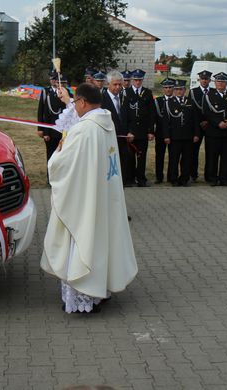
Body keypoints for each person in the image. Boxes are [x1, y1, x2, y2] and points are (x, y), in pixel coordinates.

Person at [41, 83, 138, 314]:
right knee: (101, 240)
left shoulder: (84, 130)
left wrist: (57, 154)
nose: (75, 106)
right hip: (102, 194)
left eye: (76, 103)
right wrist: (67, 102)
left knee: (83, 240)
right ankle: (100, 290)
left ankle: (83, 294)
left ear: (83, 102)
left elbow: (61, 164)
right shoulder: (105, 121)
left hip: (83, 199)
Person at [203, 72, 227, 186]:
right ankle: (213, 178)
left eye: (223, 81)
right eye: (218, 81)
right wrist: (218, 123)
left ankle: (224, 178)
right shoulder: (208, 95)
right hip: (214, 132)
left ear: (226, 83)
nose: (220, 83)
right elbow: (207, 112)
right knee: (212, 157)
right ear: (214, 83)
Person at [163, 80, 200, 186]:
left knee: (187, 159)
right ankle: (173, 179)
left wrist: (196, 134)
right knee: (174, 159)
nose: (179, 91)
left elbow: (195, 120)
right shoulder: (169, 102)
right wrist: (166, 136)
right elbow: (166, 121)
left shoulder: (190, 101)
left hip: (188, 136)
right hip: (174, 136)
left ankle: (184, 178)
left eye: (181, 89)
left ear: (185, 90)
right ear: (174, 91)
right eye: (177, 89)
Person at [124, 69, 155, 187]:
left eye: (139, 80)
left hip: (143, 131)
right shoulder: (126, 92)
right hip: (131, 131)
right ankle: (130, 179)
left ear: (142, 80)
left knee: (141, 156)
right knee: (130, 157)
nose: (137, 82)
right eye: (135, 80)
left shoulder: (147, 93)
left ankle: (141, 179)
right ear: (132, 80)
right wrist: (127, 131)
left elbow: (152, 114)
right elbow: (124, 113)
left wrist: (151, 131)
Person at [100, 70, 131, 186]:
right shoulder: (101, 100)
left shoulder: (124, 99)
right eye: (115, 84)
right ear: (108, 84)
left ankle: (121, 185)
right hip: (108, 139)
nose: (118, 87)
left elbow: (129, 118)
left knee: (123, 163)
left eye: (120, 84)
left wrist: (130, 132)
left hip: (123, 140)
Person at [37, 70, 71, 163]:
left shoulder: (68, 94)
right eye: (52, 78)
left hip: (64, 131)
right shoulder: (47, 93)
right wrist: (43, 130)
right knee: (51, 156)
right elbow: (43, 112)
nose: (52, 80)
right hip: (51, 130)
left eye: (64, 83)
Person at [188, 70, 212, 182]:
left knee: (211, 152)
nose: (204, 81)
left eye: (206, 79)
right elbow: (190, 111)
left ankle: (209, 175)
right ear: (199, 80)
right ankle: (193, 174)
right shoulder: (193, 92)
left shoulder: (214, 92)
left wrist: (208, 121)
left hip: (211, 126)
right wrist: (199, 123)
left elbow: (215, 111)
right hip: (196, 126)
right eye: (202, 79)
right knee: (193, 152)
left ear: (210, 80)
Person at [153, 78, 174, 184]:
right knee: (159, 156)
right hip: (161, 133)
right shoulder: (158, 101)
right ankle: (159, 177)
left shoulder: (176, 100)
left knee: (173, 156)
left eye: (170, 87)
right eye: (166, 87)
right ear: (163, 89)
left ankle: (171, 177)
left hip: (174, 133)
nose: (168, 89)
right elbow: (154, 118)